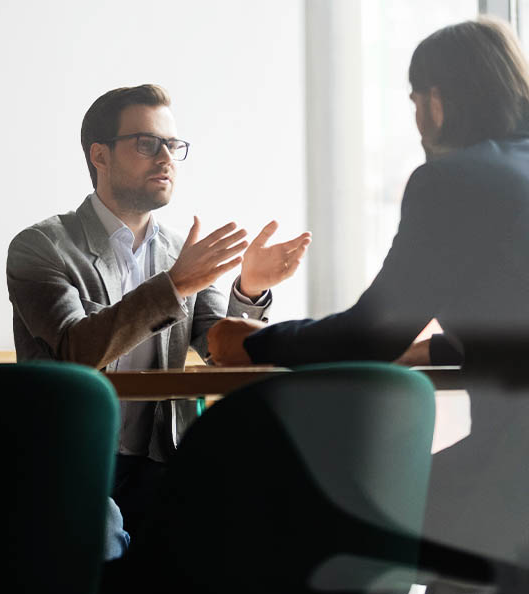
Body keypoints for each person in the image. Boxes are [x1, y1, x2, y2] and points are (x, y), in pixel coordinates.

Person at [208, 17, 529, 591]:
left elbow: (367, 334)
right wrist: (437, 346)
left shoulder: (454, 180)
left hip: (515, 476)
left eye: (413, 101)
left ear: (435, 101)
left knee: (340, 520)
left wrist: (252, 340)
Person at [7, 84, 311, 541]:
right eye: (147, 143)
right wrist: (176, 285)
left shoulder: (179, 252)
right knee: (100, 539)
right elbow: (74, 349)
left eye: (173, 145)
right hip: (69, 457)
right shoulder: (42, 247)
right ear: (100, 155)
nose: (166, 157)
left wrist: (249, 290)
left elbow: (220, 351)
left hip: (162, 459)